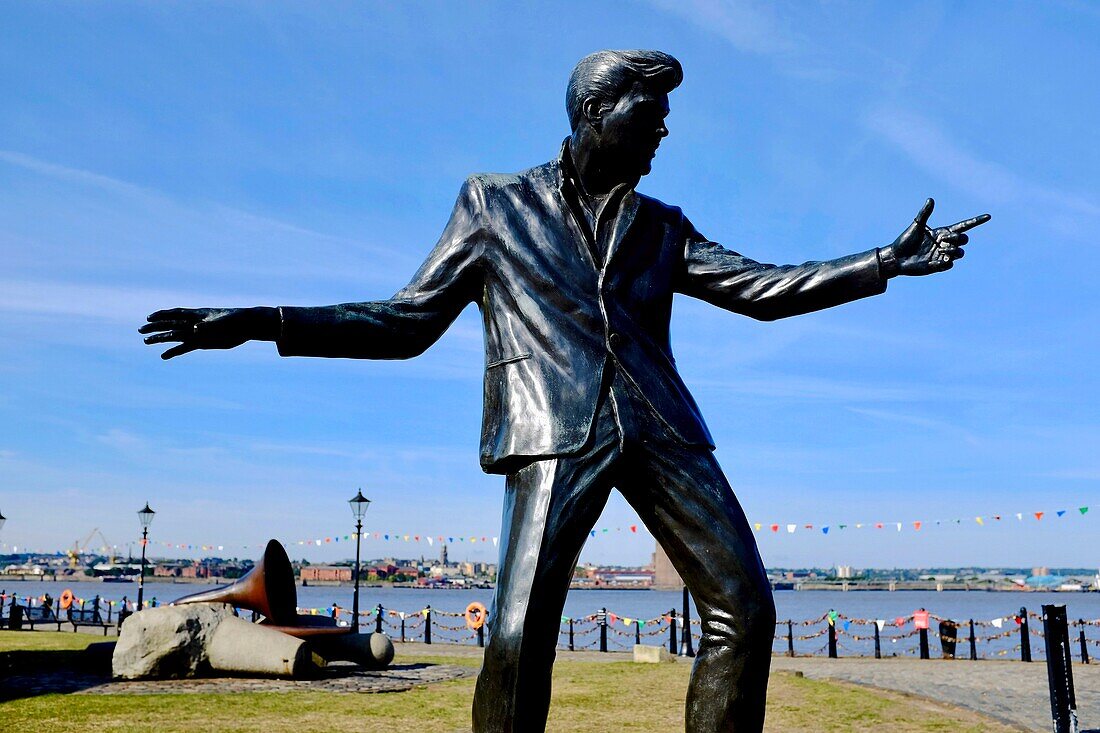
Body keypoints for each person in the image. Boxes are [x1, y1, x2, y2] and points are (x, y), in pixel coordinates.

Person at [140, 50, 989, 733]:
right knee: (515, 638)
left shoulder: (664, 226)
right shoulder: (493, 205)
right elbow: (404, 322)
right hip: (553, 432)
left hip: (664, 430)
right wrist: (262, 320)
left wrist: (883, 261)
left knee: (747, 608)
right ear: (594, 115)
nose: (662, 131)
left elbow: (760, 288)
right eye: (647, 115)